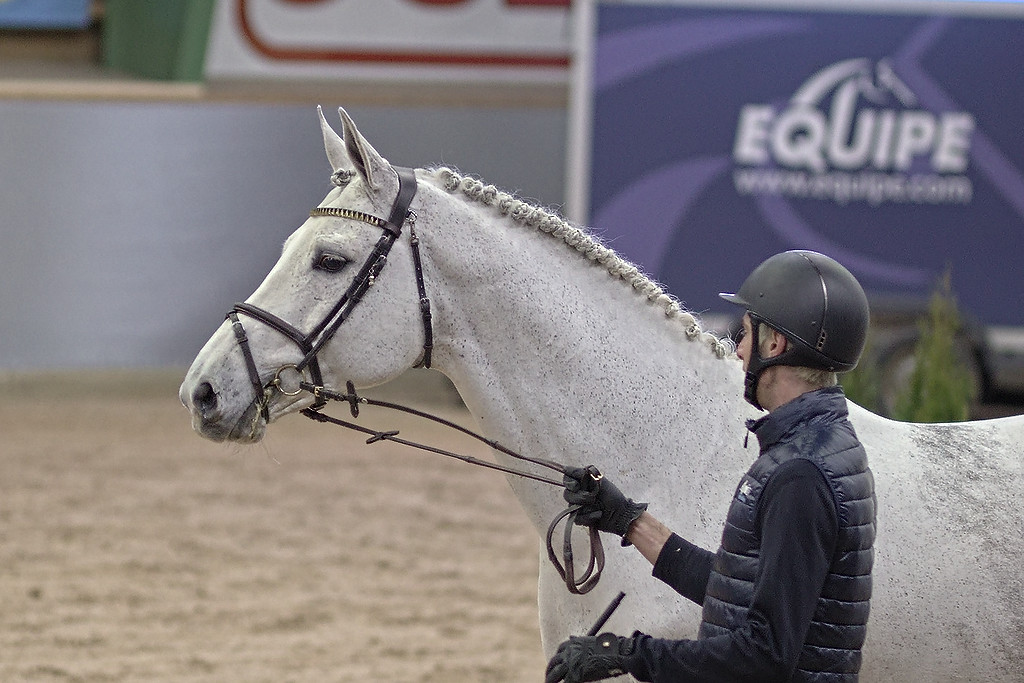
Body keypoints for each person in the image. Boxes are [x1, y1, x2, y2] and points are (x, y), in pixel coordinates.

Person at [545, 250, 876, 683]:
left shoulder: (802, 475)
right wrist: (628, 520)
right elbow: (736, 590)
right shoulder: (816, 447)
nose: (738, 351)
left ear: (775, 344)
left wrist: (627, 654)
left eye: (746, 333)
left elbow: (764, 656)